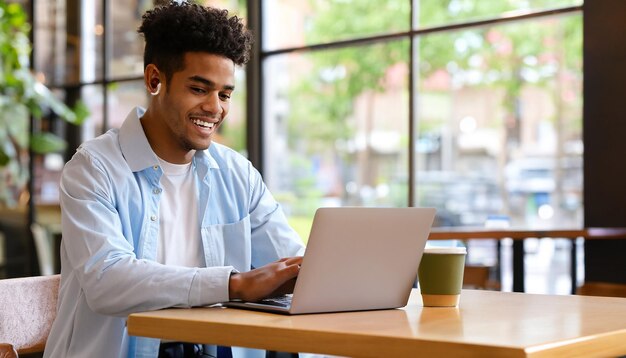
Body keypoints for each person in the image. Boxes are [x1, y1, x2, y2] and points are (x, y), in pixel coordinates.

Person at [43, 2, 305, 358]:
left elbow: (294, 263)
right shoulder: (94, 168)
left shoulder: (237, 173)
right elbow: (107, 281)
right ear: (155, 80)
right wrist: (234, 284)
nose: (215, 108)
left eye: (225, 94)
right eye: (199, 89)